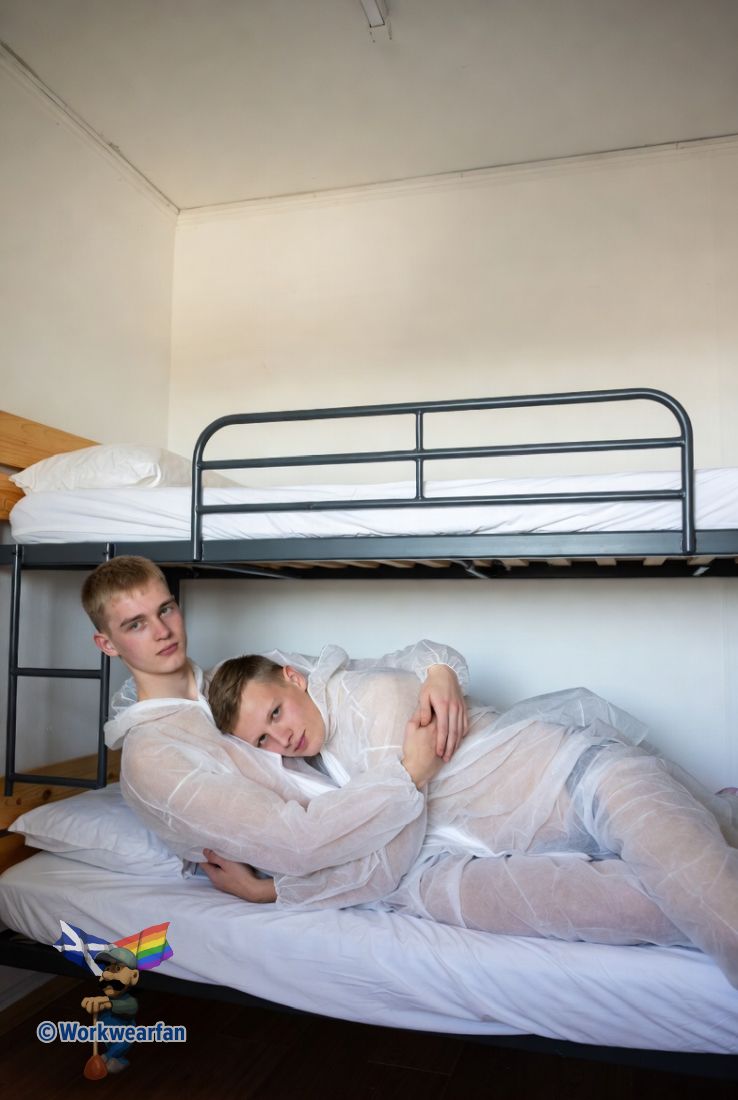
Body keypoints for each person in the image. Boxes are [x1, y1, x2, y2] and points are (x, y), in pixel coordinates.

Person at [207, 647, 738, 989]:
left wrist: (271, 892)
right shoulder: (319, 759)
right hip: (478, 861)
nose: (282, 739)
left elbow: (387, 859)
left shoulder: (372, 698)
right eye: (262, 740)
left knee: (701, 886)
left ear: (294, 678)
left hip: (576, 779)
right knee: (650, 905)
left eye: (275, 713)